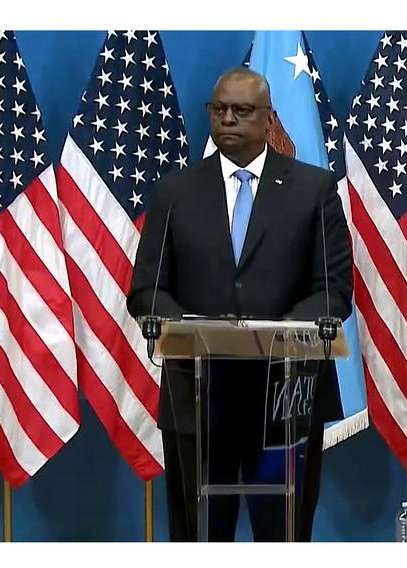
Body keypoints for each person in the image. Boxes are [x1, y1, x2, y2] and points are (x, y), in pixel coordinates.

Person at [127, 67, 353, 542]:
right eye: (219, 110)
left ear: (269, 120)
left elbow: (333, 290)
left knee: (283, 537)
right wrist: (185, 325)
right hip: (199, 397)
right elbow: (147, 289)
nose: (228, 120)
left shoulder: (314, 190)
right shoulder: (175, 192)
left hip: (285, 399)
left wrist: (273, 334)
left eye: (242, 111)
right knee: (200, 538)